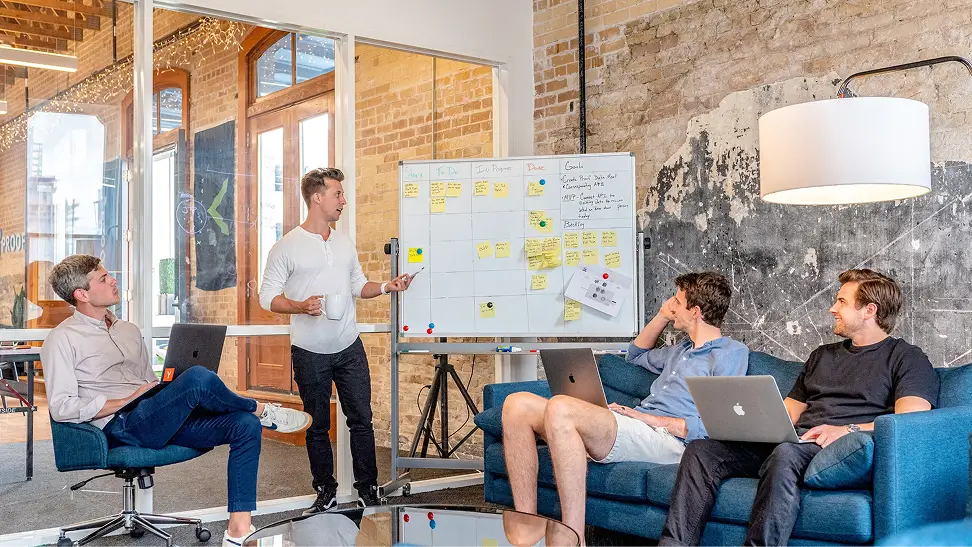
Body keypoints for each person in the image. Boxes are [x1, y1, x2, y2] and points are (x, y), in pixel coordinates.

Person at [41, 254, 311, 547]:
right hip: (121, 426)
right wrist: (123, 400)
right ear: (81, 294)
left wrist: (163, 389)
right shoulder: (61, 339)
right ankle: (260, 409)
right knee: (198, 378)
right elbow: (62, 407)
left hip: (152, 415)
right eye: (103, 278)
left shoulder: (128, 330)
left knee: (243, 425)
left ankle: (238, 530)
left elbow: (146, 381)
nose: (113, 280)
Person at [659, 268, 941, 546]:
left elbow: (910, 420)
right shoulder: (822, 356)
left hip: (838, 447)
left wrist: (846, 430)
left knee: (785, 453)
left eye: (842, 301)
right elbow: (787, 413)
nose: (833, 308)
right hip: (796, 441)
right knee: (702, 450)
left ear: (869, 310)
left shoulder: (906, 358)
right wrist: (749, 424)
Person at [501, 272, 749, 538]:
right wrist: (663, 316)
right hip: (637, 426)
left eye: (676, 301)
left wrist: (656, 421)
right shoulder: (680, 351)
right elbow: (635, 355)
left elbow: (723, 422)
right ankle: (526, 525)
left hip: (668, 441)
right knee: (517, 405)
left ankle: (574, 538)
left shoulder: (729, 354)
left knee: (561, 407)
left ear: (696, 311)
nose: (670, 304)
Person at [260, 167, 412, 513]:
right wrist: (300, 305)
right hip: (310, 351)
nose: (343, 200)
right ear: (318, 197)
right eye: (337, 194)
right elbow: (267, 297)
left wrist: (388, 286)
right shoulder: (287, 246)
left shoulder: (343, 242)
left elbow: (359, 285)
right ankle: (325, 490)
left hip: (349, 347)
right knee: (316, 423)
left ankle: (368, 488)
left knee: (361, 419)